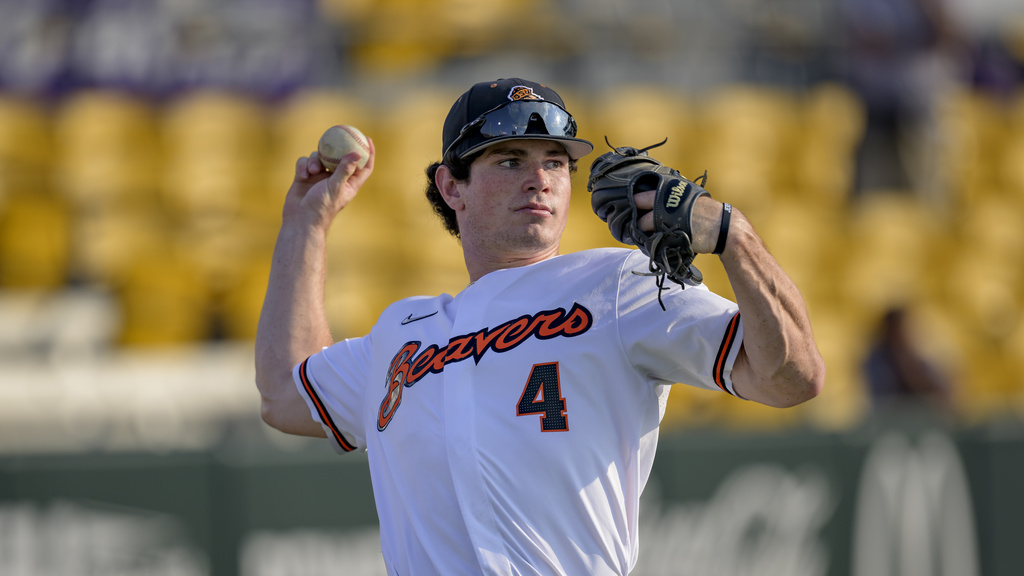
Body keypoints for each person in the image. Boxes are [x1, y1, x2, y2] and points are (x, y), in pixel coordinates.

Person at [255, 78, 825, 575]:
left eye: (555, 161)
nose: (540, 178)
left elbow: (790, 378)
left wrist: (737, 239)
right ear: (451, 186)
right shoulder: (403, 331)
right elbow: (284, 393)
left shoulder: (619, 283)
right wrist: (306, 223)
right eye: (509, 160)